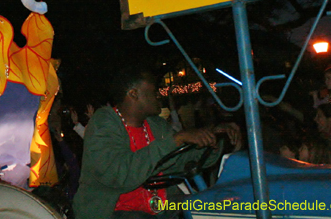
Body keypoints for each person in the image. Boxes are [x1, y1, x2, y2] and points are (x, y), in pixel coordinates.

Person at [73, 65, 242, 219]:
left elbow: (180, 161)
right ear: (134, 93)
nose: (159, 94)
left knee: (219, 208)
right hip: (117, 212)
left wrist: (213, 141)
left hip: (161, 208)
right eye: (154, 90)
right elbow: (119, 175)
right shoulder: (104, 122)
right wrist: (176, 139)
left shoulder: (156, 125)